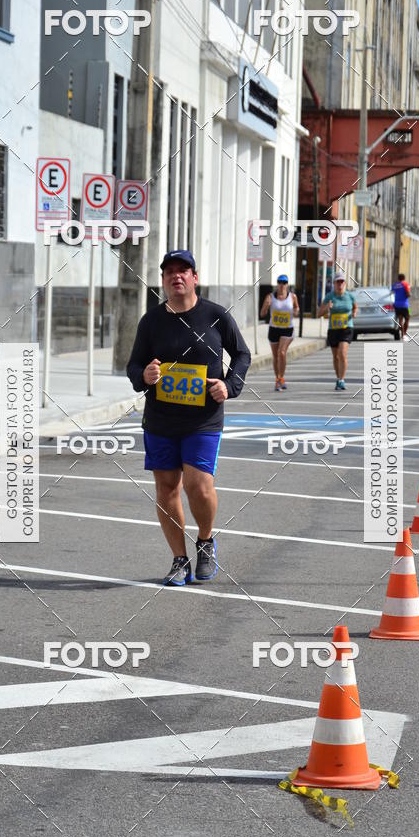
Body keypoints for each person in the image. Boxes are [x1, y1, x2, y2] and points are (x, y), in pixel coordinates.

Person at [127, 249, 251, 586]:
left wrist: (229, 386)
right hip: (161, 419)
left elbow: (242, 354)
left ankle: (206, 540)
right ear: (163, 280)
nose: (176, 276)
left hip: (203, 419)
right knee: (167, 489)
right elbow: (134, 365)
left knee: (199, 485)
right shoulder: (151, 321)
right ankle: (179, 559)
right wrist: (145, 375)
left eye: (183, 271)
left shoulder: (215, 315)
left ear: (195, 278)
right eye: (170, 272)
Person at [259, 274, 300, 391]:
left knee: (281, 352)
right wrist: (266, 306)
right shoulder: (270, 297)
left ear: (287, 284)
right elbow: (262, 314)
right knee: (276, 356)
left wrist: (296, 311)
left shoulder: (292, 297)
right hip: (274, 329)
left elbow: (297, 309)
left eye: (284, 282)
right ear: (277, 284)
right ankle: (278, 378)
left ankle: (280, 377)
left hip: (287, 329)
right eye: (280, 282)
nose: (282, 285)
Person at [318, 271, 357, 391]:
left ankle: (342, 380)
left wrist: (354, 313)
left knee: (342, 353)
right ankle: (338, 378)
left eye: (342, 282)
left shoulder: (350, 296)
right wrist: (327, 308)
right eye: (338, 282)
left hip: (346, 328)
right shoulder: (329, 297)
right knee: (336, 357)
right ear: (334, 284)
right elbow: (319, 313)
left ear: (345, 283)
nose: (340, 284)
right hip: (333, 329)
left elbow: (355, 306)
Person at [391, 273, 411, 339]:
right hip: (405, 305)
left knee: (400, 320)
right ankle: (404, 334)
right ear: (404, 278)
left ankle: (402, 334)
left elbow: (391, 293)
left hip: (396, 305)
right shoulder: (405, 284)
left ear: (398, 278)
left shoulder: (394, 285)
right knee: (407, 319)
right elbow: (408, 294)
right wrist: (408, 295)